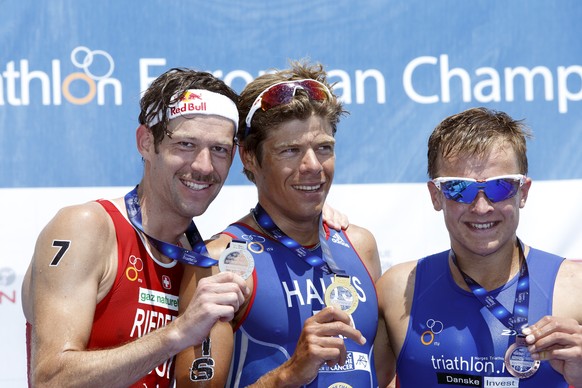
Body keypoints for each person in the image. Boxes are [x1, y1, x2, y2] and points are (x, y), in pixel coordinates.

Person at [21, 68, 251, 387]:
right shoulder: (86, 227)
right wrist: (178, 333)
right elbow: (51, 379)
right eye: (186, 144)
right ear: (145, 142)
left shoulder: (201, 261)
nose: (203, 166)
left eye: (219, 150)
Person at [175, 60, 383, 387]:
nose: (313, 166)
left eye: (324, 148)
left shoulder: (359, 245)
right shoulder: (218, 261)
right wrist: (288, 374)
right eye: (290, 150)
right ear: (249, 157)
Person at [376, 107, 582, 387]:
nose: (482, 207)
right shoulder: (396, 291)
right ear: (436, 196)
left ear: (523, 192)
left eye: (500, 187)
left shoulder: (575, 288)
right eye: (459, 189)